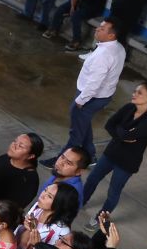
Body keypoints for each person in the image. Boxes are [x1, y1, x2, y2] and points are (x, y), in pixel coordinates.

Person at [48, 18, 125, 166]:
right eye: (99, 27)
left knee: (76, 132)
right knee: (83, 124)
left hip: (91, 97)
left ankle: (62, 160)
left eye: (102, 29)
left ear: (111, 36)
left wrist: (81, 100)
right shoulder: (118, 48)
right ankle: (90, 154)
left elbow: (94, 82)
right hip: (102, 95)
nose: (97, 29)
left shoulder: (103, 55)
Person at [86, 81, 147, 220]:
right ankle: (81, 202)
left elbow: (126, 134)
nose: (134, 94)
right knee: (92, 178)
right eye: (135, 91)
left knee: (113, 191)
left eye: (139, 93)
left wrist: (121, 131)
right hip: (111, 153)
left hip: (127, 162)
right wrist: (122, 134)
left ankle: (101, 219)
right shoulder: (129, 108)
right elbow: (110, 125)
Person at [0, 133, 43, 210]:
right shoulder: (5, 158)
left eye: (20, 146)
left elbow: (12, 208)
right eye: (15, 141)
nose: (13, 145)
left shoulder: (29, 180)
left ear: (30, 156)